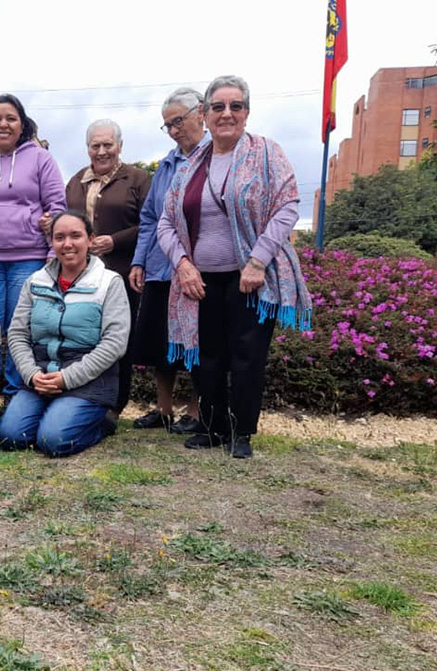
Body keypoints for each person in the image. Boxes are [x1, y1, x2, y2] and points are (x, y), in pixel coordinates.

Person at [157, 75, 312, 459]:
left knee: (246, 356)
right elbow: (165, 222)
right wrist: (182, 265)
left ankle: (240, 432)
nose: (227, 113)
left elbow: (287, 204)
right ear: (205, 115)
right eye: (218, 107)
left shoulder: (266, 153)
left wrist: (258, 261)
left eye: (236, 106)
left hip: (251, 278)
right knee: (207, 355)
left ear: (246, 113)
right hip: (200, 280)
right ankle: (211, 426)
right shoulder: (191, 164)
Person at [0, 210, 130, 457]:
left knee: (53, 441)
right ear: (52, 242)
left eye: (75, 236)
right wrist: (31, 374)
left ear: (91, 240)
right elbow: (17, 334)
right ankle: (56, 413)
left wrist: (67, 378)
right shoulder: (35, 281)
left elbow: (115, 343)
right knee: (11, 438)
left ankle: (102, 423)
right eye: (59, 237)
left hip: (88, 380)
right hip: (41, 377)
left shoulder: (109, 282)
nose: (67, 244)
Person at [0, 93, 67, 396]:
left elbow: (56, 206)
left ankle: (14, 392)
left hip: (29, 258)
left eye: (10, 118)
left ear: (22, 124)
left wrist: (49, 250)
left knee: (21, 328)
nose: (3, 124)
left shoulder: (41, 158)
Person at [129, 88, 209, 434]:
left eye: (179, 121)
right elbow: (149, 218)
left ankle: (195, 410)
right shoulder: (166, 164)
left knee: (197, 341)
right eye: (168, 126)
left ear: (200, 113)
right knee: (161, 342)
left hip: (199, 268)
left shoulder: (215, 157)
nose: (175, 130)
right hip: (162, 268)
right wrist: (139, 262)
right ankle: (162, 409)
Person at [65, 119, 150, 418]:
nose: (101, 151)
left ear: (120, 146)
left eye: (107, 145)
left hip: (122, 274)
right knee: (85, 337)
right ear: (87, 148)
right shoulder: (75, 182)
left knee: (118, 339)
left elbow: (151, 225)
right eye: (95, 145)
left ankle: (116, 404)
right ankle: (86, 397)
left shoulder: (138, 179)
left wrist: (116, 241)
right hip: (82, 276)